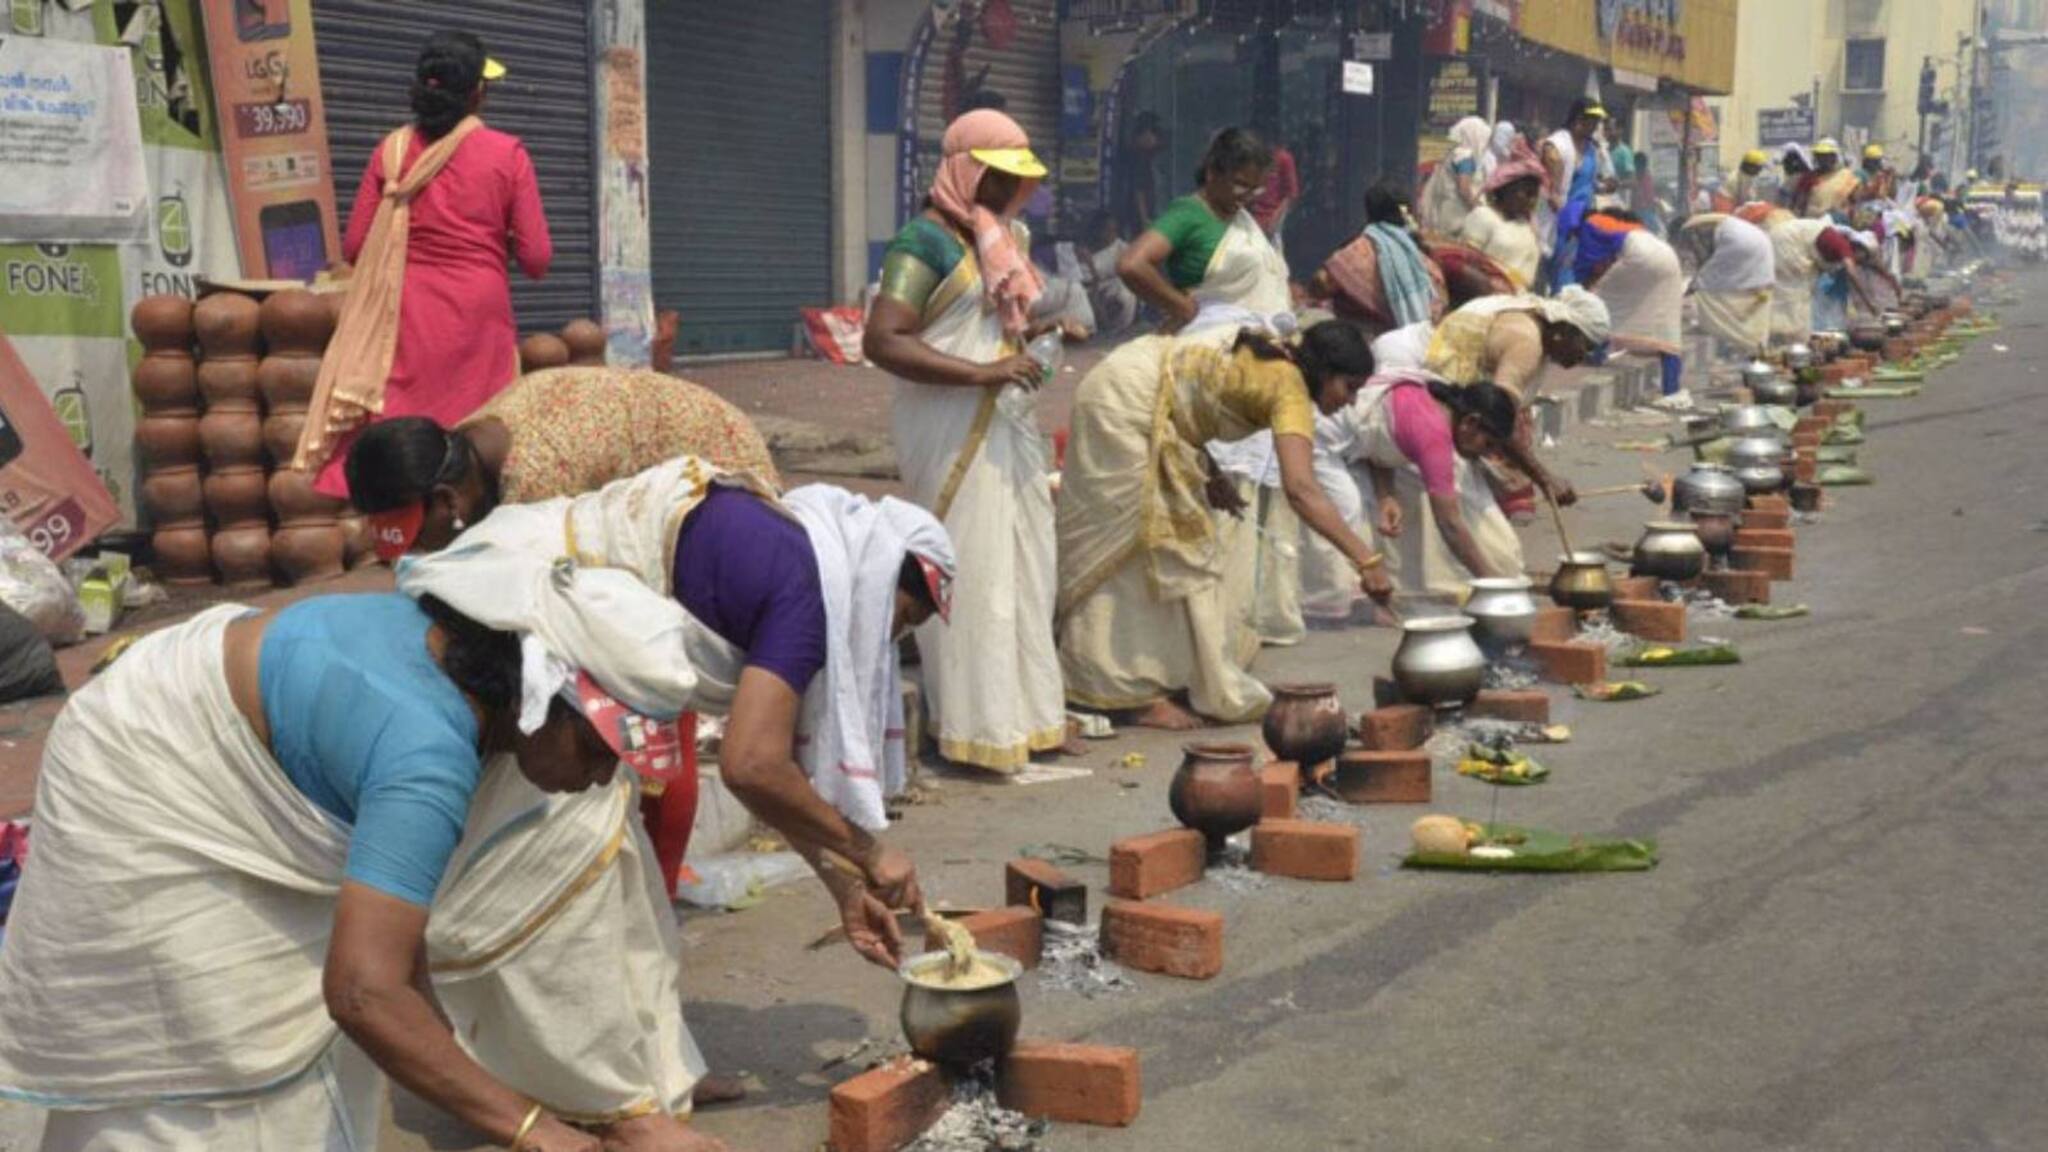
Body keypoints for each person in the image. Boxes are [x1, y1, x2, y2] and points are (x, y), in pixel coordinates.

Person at [0, 541, 736, 1151]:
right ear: (543, 702)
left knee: (319, 1059)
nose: (604, 776)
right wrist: (539, 1132)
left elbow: (391, 947)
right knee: (212, 1067)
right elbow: (361, 991)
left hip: (227, 720)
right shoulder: (426, 751)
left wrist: (482, 1081)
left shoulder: (466, 685)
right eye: (601, 749)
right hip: (153, 769)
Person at [862, 109, 1076, 773]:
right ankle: (974, 728)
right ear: (968, 171)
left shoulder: (1001, 238)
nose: (1013, 195)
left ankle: (1028, 718)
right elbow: (884, 339)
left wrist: (1038, 338)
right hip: (949, 427)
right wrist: (984, 371)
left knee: (1026, 565)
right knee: (972, 568)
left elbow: (1002, 327)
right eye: (1001, 180)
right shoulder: (922, 244)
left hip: (1004, 424)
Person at [1057, 323, 1393, 730]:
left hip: (1143, 390)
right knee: (1135, 546)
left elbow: (1192, 400)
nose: (1351, 401)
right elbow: (1302, 489)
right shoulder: (1290, 391)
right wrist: (1366, 560)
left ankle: (1158, 674)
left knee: (1174, 548)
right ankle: (1123, 691)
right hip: (1125, 404)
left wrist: (1210, 473)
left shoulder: (1281, 363)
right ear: (1324, 372)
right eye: (1349, 387)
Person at [295, 31, 551, 498]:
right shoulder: (507, 154)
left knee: (404, 432)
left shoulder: (390, 152)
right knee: (474, 433)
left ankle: (405, 531)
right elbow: (537, 258)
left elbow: (356, 246)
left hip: (402, 315)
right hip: (478, 314)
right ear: (477, 93)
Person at [344, 367, 781, 549]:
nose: (419, 554)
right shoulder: (460, 444)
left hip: (722, 475)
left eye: (418, 539)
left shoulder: (538, 482)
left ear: (448, 502)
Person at [1423, 287, 1611, 514]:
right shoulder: (1527, 343)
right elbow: (1496, 417)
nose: (1583, 357)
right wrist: (1546, 479)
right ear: (1564, 330)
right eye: (1585, 346)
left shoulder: (1518, 310)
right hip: (1436, 419)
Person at [1347, 373, 1524, 597]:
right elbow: (1449, 524)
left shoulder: (1431, 406)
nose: (1486, 453)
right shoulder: (1435, 435)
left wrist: (1386, 495)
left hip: (1355, 452)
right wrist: (1491, 583)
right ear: (1470, 422)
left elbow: (1384, 447)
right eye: (1487, 443)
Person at [1118, 126, 1290, 332]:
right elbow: (1131, 265)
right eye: (1240, 185)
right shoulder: (1189, 213)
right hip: (1210, 338)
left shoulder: (1241, 218)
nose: (1247, 196)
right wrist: (1183, 308)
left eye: (1256, 190)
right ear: (1212, 173)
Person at [1576, 209, 1689, 409]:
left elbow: (1589, 261)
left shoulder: (1591, 223)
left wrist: (1582, 286)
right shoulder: (1630, 227)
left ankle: (1597, 353)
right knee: (1667, 326)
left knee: (1599, 300)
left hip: (1640, 257)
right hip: (1668, 257)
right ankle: (1671, 390)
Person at [1316, 181, 1447, 339]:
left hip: (1362, 343)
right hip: (1417, 342)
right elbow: (1438, 297)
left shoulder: (1354, 252)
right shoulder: (1418, 256)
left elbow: (1320, 285)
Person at [1679, 212, 1777, 359]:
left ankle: (1725, 338)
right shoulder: (1711, 222)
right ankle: (1751, 345)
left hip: (1740, 244)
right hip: (1761, 247)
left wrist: (1694, 286)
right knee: (1742, 295)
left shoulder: (1691, 230)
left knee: (1711, 293)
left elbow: (1705, 259)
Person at [1458, 144, 1547, 289]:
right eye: (1526, 193)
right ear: (1505, 190)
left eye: (1535, 195)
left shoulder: (1526, 226)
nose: (1532, 200)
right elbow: (1466, 265)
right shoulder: (1483, 217)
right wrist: (1494, 288)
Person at [1540, 97, 1607, 288]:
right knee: (1561, 274)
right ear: (1578, 119)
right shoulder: (1557, 146)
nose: (1595, 126)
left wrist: (1603, 186)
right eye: (1592, 121)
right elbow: (1553, 191)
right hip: (1564, 223)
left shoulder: (1592, 149)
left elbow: (1590, 182)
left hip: (1585, 221)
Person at [1416, 116, 1493, 237]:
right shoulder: (1465, 157)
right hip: (1458, 216)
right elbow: (1464, 188)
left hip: (1445, 211)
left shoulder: (1453, 152)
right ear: (1474, 135)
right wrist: (1479, 209)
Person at [1119, 111, 1166, 238]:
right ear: (1145, 135)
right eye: (1154, 135)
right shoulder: (1138, 159)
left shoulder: (1146, 158)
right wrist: (1144, 219)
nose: (1155, 141)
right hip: (1136, 219)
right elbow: (1138, 191)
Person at [1250, 139, 1301, 243]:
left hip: (1270, 222)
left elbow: (1290, 196)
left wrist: (1275, 221)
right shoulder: (1253, 157)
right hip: (1250, 220)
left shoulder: (1283, 158)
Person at [1802, 139, 1860, 219]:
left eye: (1827, 156)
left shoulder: (1846, 175)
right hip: (1813, 222)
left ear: (1834, 157)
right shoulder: (1809, 178)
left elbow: (1855, 200)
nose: (1823, 159)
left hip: (1838, 221)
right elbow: (1801, 202)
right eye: (1820, 155)